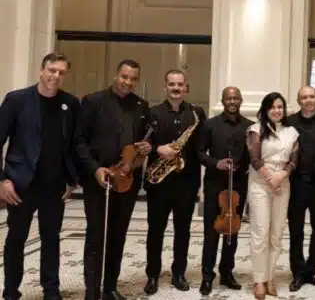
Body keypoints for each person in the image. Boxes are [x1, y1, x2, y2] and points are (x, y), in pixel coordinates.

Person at [0, 53, 80, 300]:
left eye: (61, 72)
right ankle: (11, 291)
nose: (56, 76)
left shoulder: (70, 104)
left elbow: (73, 145)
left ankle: (51, 290)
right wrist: (2, 180)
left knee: (51, 239)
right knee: (16, 239)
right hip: (21, 185)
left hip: (54, 186)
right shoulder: (16, 100)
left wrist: (72, 180)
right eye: (52, 70)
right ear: (42, 70)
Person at [75, 59, 153, 300]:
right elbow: (79, 142)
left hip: (127, 180)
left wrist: (147, 147)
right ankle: (92, 291)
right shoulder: (92, 101)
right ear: (116, 75)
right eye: (124, 77)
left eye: (133, 79)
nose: (128, 82)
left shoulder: (141, 106)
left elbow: (142, 143)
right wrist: (95, 169)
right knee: (96, 235)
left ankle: (109, 287)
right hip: (99, 179)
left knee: (118, 236)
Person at [143, 70, 207, 294]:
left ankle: (179, 273)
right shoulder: (153, 113)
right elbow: (142, 144)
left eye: (180, 84)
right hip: (159, 181)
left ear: (186, 87)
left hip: (186, 181)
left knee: (183, 230)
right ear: (165, 87)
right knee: (155, 230)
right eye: (172, 84)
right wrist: (157, 149)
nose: (176, 88)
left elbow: (200, 146)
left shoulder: (196, 113)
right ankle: (152, 274)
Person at [198, 86, 252, 295]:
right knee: (211, 232)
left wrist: (242, 165)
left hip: (238, 186)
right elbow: (199, 153)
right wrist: (216, 163)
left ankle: (227, 273)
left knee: (232, 231)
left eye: (236, 98)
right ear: (222, 101)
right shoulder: (210, 125)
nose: (232, 101)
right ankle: (207, 276)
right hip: (215, 184)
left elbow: (253, 155)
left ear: (241, 100)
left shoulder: (249, 126)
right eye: (228, 98)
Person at [247, 92, 300, 299]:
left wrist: (282, 176)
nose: (277, 111)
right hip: (261, 183)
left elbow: (294, 160)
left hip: (283, 184)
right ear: (265, 109)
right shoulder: (255, 129)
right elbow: (254, 158)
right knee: (260, 233)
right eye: (272, 107)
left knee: (276, 234)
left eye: (280, 107)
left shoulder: (292, 132)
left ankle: (270, 278)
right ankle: (259, 280)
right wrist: (271, 178)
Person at [285, 86, 315, 292]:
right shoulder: (289, 123)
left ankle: (311, 269)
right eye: (304, 97)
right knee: (296, 231)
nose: (308, 100)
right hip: (295, 186)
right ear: (299, 101)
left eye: (312, 96)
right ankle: (298, 271)